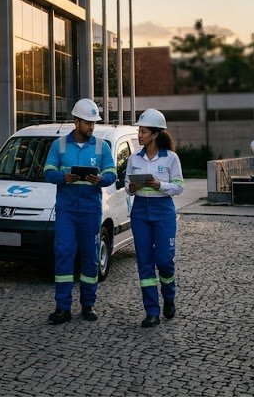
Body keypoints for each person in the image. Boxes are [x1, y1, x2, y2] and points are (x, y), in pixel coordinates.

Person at [42, 98, 117, 324]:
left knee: (90, 258)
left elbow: (112, 173)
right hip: (66, 211)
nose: (91, 127)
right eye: (87, 122)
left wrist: (101, 179)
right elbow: (47, 172)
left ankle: (88, 305)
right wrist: (63, 177)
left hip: (90, 211)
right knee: (64, 254)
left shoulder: (101, 146)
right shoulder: (59, 145)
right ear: (76, 121)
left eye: (93, 123)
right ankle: (62, 307)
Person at [125, 109, 184, 328]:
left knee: (164, 261)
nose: (139, 135)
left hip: (163, 213)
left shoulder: (171, 158)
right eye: (139, 131)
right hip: (140, 212)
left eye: (143, 131)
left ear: (155, 134)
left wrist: (160, 185)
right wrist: (131, 187)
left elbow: (179, 187)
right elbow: (126, 187)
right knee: (145, 262)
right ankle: (151, 311)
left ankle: (169, 296)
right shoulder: (133, 158)